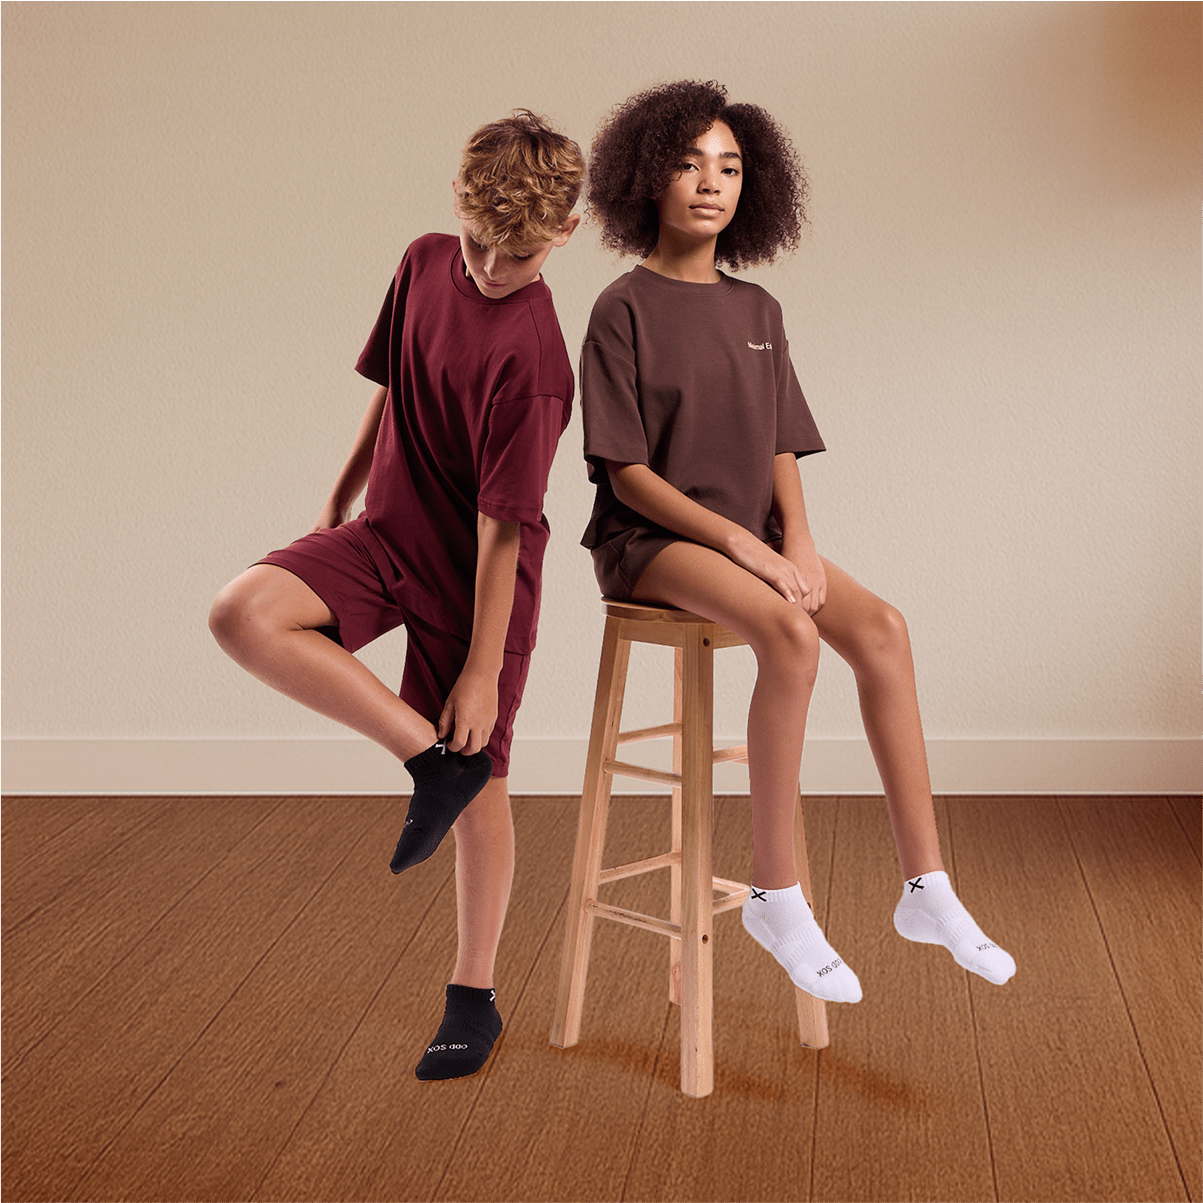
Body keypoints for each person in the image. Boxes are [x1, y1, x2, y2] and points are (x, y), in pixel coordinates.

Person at [579, 81, 1014, 1005]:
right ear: (645, 177)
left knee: (884, 629)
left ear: (754, 185)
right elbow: (627, 475)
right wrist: (747, 550)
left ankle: (926, 886)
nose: (710, 182)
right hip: (652, 541)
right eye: (688, 163)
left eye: (730, 167)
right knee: (789, 633)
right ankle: (775, 896)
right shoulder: (621, 308)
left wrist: (800, 542)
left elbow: (780, 442)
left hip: (759, 538)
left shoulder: (758, 311)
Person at [209, 110, 584, 1079]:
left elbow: (502, 530)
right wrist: (339, 493)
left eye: (517, 254)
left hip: (478, 582)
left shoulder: (537, 363)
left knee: (483, 784)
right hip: (386, 531)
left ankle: (473, 996)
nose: (490, 269)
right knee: (242, 612)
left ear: (567, 233)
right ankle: (427, 762)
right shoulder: (422, 261)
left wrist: (481, 671)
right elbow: (391, 384)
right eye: (477, 243)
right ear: (455, 210)